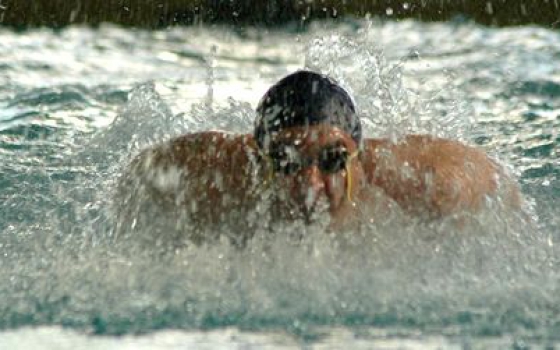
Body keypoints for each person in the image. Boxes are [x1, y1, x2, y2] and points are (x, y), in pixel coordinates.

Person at [117, 70, 522, 244]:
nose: (310, 185)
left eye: (331, 160)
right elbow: (135, 177)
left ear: (358, 159)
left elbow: (501, 187)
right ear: (260, 160)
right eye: (289, 161)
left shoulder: (428, 183)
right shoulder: (219, 176)